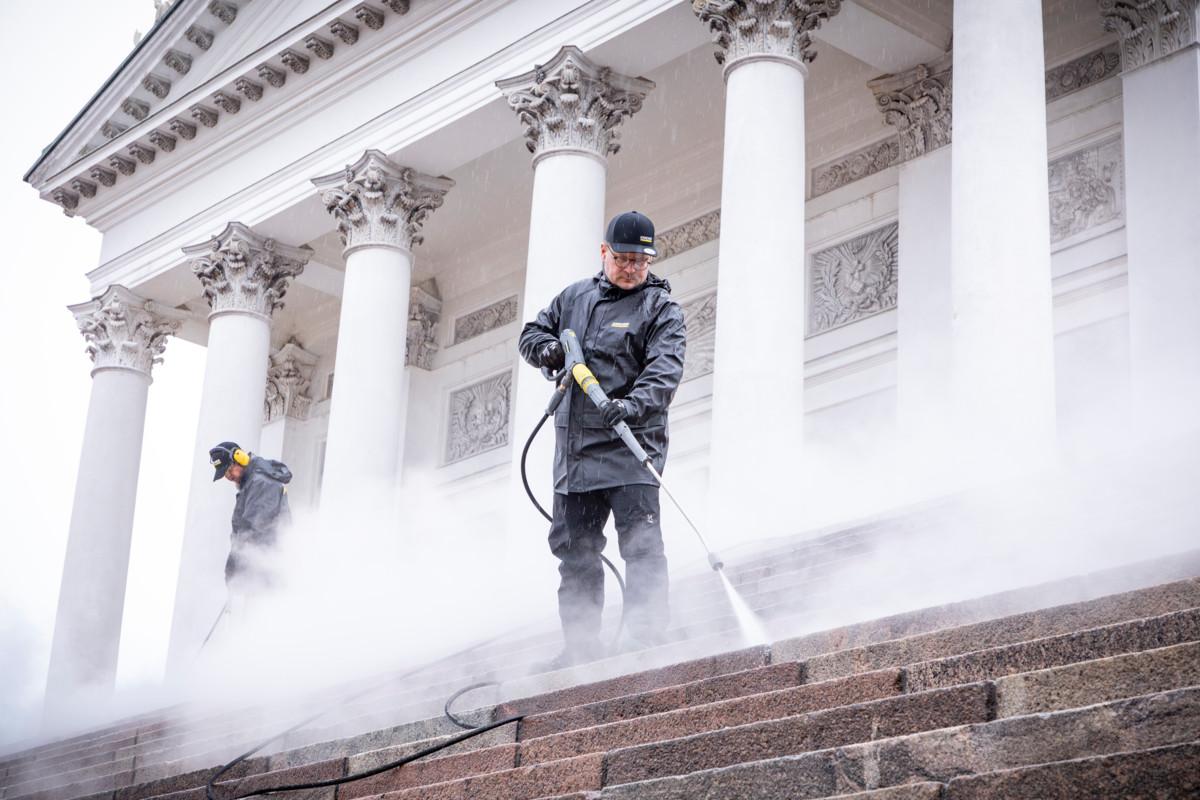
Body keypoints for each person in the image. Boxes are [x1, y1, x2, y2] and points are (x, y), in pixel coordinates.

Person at [519, 210, 687, 667]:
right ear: (604, 253)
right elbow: (531, 333)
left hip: (631, 450)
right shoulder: (573, 298)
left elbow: (665, 371)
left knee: (641, 545)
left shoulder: (661, 310)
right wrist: (548, 349)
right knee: (575, 555)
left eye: (641, 259)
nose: (632, 267)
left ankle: (646, 635)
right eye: (623, 258)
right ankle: (580, 648)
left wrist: (629, 407)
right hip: (574, 458)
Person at [208, 441, 293, 599]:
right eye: (225, 475)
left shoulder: (262, 483)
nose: (229, 477)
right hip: (259, 572)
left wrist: (235, 563)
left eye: (229, 470)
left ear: (240, 459)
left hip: (267, 572)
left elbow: (255, 529)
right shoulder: (251, 484)